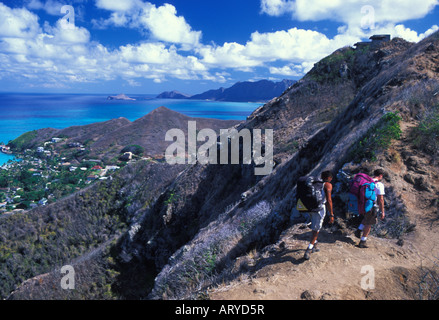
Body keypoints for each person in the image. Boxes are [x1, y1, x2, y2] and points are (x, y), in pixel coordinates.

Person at [304, 171, 335, 260]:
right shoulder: (327, 185)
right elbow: (329, 200)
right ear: (329, 178)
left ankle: (315, 245)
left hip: (309, 208)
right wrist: (331, 214)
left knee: (314, 226)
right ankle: (309, 249)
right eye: (331, 178)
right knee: (316, 230)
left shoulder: (314, 184)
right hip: (319, 209)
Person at [354, 169, 386, 248]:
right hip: (372, 206)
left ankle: (358, 230)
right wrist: (382, 211)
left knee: (366, 218)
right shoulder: (379, 185)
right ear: (381, 176)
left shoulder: (367, 181)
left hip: (363, 204)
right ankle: (363, 241)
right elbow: (381, 199)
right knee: (369, 223)